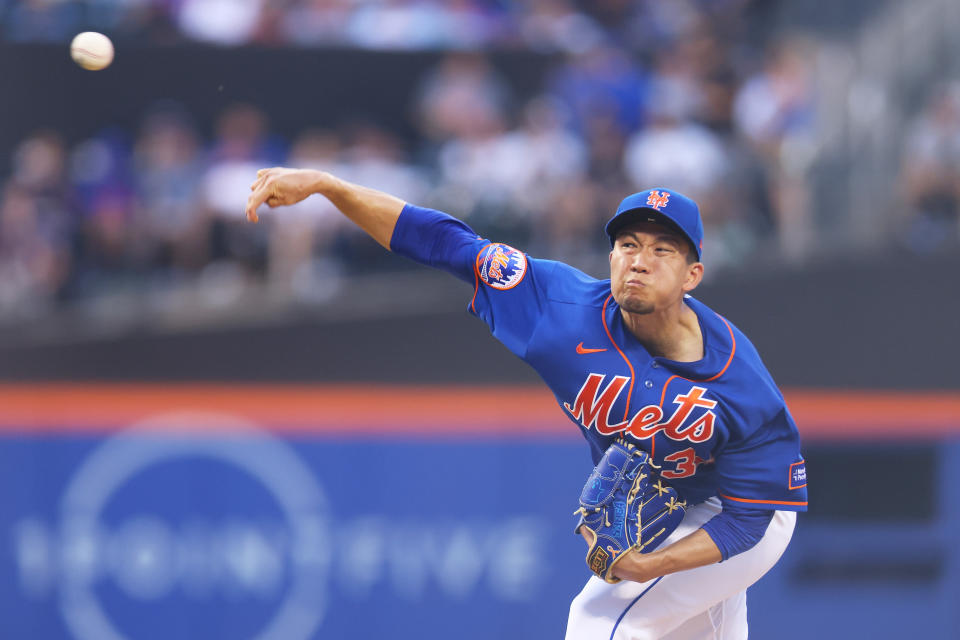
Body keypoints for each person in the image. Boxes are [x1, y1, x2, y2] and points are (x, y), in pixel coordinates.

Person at [245, 168, 808, 639]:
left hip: (739, 515)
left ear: (694, 275)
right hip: (670, 506)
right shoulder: (559, 307)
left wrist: (650, 564)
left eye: (663, 250)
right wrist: (328, 186)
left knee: (600, 617)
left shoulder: (737, 381)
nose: (639, 260)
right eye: (628, 244)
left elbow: (751, 517)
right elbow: (444, 242)